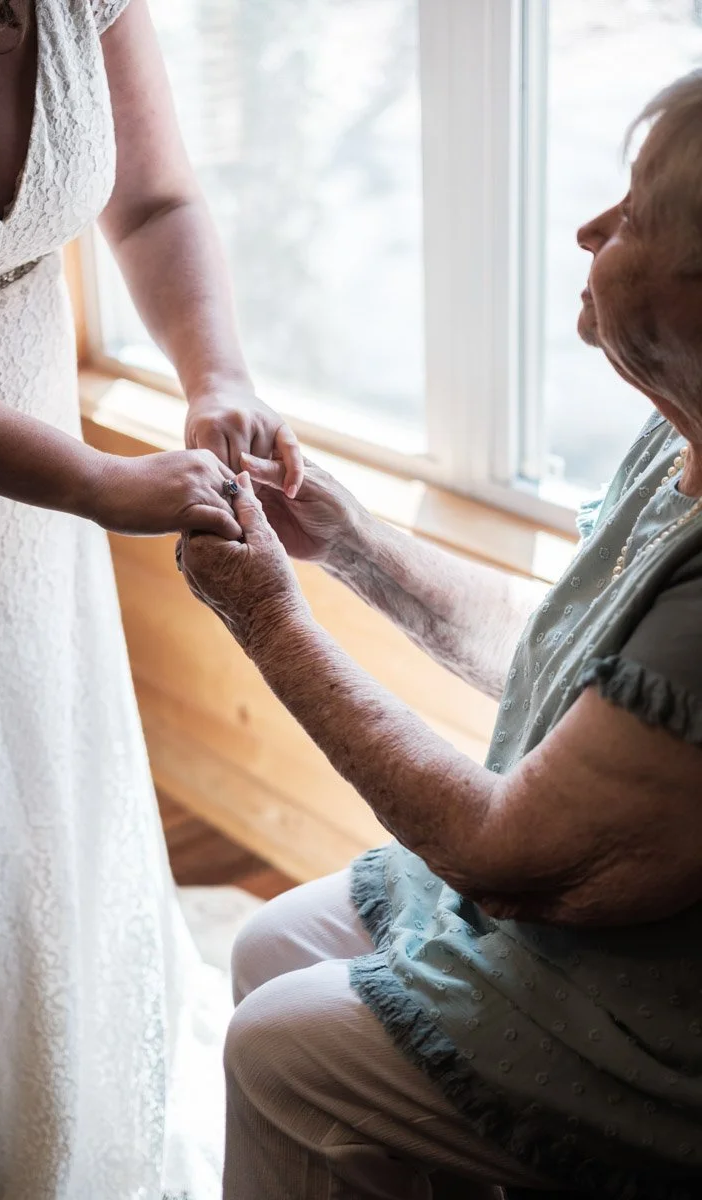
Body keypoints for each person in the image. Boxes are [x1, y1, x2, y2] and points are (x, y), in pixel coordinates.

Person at [178, 72, 702, 1200]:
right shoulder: (674, 452)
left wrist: (266, 618)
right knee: (272, 946)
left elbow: (511, 859)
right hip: (591, 929)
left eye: (633, 217)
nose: (586, 230)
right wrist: (349, 542)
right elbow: (567, 662)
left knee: (281, 1051)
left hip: (665, 1016)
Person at [0, 1, 303, 1197]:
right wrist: (86, 476)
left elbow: (153, 200)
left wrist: (215, 373)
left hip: (30, 487)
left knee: (30, 781)